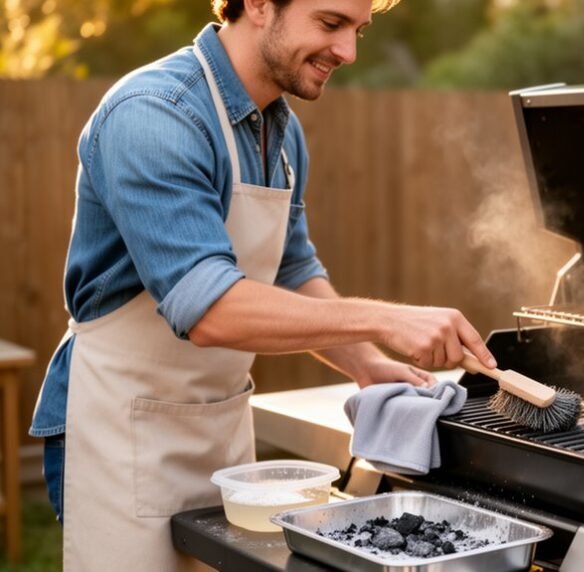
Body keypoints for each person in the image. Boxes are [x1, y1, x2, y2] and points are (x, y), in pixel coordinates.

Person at [27, 0, 497, 569]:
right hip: (120, 433)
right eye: (330, 23)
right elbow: (209, 309)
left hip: (221, 430)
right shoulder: (155, 113)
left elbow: (292, 270)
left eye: (359, 30)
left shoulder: (281, 130)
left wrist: (367, 364)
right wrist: (388, 319)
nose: (348, 51)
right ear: (256, 4)